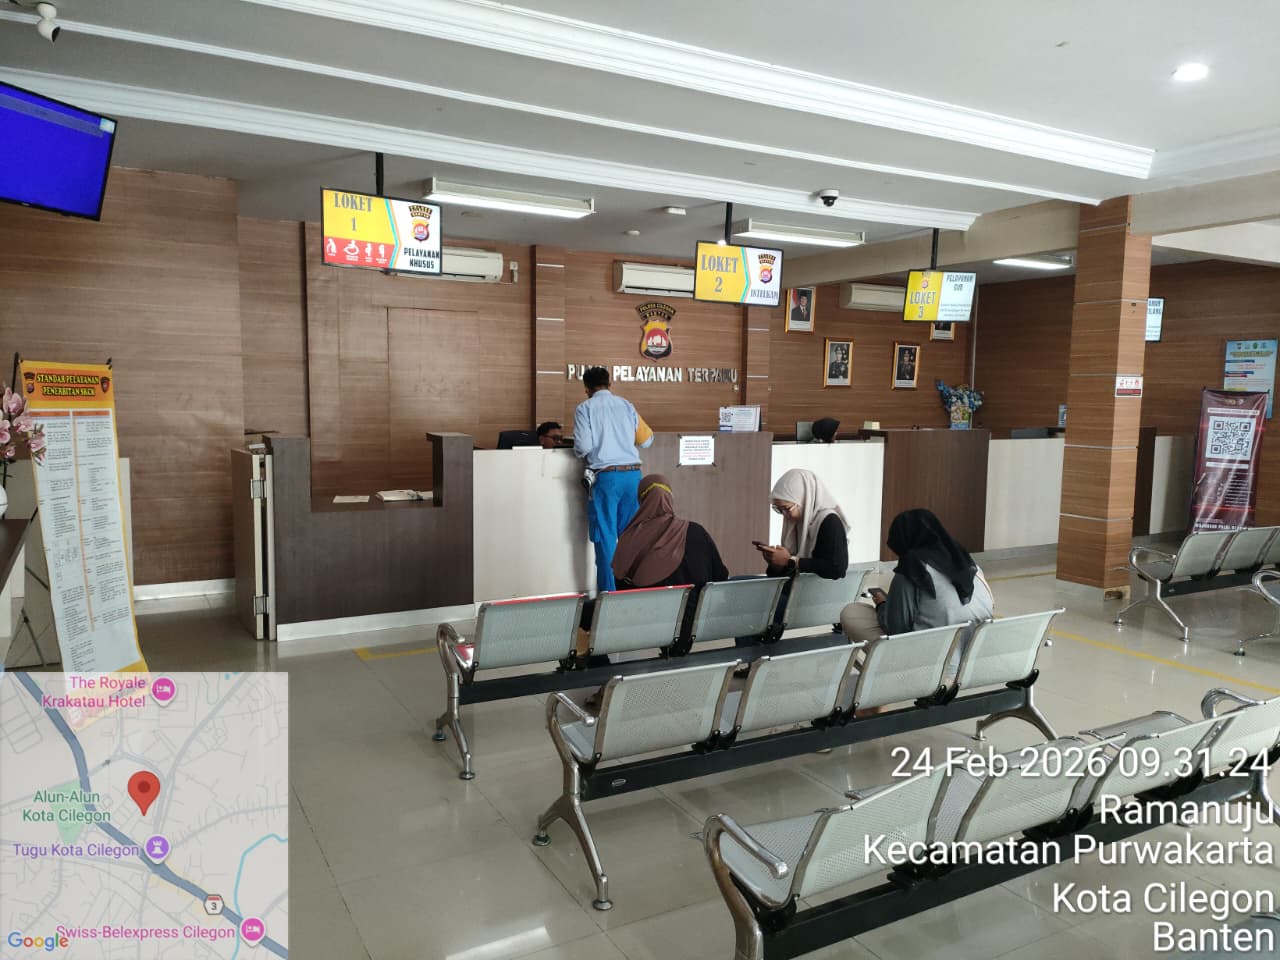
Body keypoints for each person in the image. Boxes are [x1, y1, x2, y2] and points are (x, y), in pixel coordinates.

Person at [579, 474, 728, 655]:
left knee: (583, 613)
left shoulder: (629, 538)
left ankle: (600, 667)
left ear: (642, 501)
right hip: (695, 623)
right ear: (670, 498)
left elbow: (622, 590)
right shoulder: (697, 532)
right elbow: (720, 577)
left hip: (646, 625)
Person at [840, 508, 993, 645]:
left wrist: (882, 606)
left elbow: (897, 629)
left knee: (852, 613)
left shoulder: (913, 568)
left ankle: (886, 660)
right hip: (976, 655)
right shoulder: (968, 564)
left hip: (931, 658)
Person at [738, 469, 850, 648]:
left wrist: (792, 561)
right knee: (738, 585)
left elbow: (837, 568)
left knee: (748, 602)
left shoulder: (829, 522)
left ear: (804, 499)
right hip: (797, 590)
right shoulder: (798, 523)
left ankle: (752, 654)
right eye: (778, 509)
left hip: (813, 598)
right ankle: (752, 653)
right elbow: (784, 573)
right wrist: (775, 563)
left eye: (786, 508)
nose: (784, 515)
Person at [574, 366, 652, 593]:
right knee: (630, 538)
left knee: (606, 537)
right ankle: (631, 591)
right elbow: (647, 440)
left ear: (586, 389)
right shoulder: (627, 405)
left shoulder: (585, 408)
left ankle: (609, 596)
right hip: (633, 476)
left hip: (606, 478)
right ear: (610, 384)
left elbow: (583, 447)